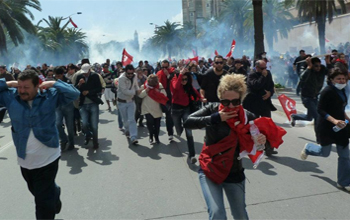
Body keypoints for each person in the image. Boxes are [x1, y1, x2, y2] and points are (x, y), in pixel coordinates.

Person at [184, 74, 267, 220]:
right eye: (225, 101)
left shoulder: (248, 117)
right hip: (210, 169)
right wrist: (216, 118)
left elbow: (260, 143)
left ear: (241, 99)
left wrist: (261, 140)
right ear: (219, 98)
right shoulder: (212, 109)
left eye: (235, 101)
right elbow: (189, 122)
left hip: (234, 173)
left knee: (240, 215)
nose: (230, 106)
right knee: (217, 213)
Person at [0, 69, 80, 219]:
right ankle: (55, 193)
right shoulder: (10, 97)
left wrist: (54, 83)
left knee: (42, 202)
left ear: (37, 85)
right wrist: (8, 83)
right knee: (38, 192)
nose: (22, 91)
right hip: (25, 160)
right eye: (20, 87)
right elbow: (11, 88)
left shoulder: (50, 96)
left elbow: (74, 94)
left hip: (48, 157)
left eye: (26, 87)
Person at [300, 68, 350, 191]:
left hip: (341, 127)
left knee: (344, 156)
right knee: (325, 153)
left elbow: (341, 108)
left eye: (343, 78)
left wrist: (347, 118)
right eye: (338, 78)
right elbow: (320, 110)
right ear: (332, 80)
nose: (342, 81)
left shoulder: (343, 91)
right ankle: (309, 148)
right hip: (327, 127)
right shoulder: (327, 91)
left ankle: (343, 182)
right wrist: (334, 121)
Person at [243, 60, 277, 156]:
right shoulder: (251, 75)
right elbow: (256, 86)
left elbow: (271, 85)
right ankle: (256, 147)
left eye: (265, 68)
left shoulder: (267, 74)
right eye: (262, 68)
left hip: (265, 104)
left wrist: (270, 93)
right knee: (255, 127)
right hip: (253, 104)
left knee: (268, 126)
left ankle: (269, 147)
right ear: (257, 67)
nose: (264, 70)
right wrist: (263, 76)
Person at [291, 57, 330, 139]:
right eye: (316, 66)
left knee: (309, 118)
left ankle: (294, 116)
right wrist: (309, 67)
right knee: (317, 117)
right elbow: (302, 77)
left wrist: (328, 62)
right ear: (311, 65)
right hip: (306, 98)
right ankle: (319, 138)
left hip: (315, 97)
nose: (318, 68)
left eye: (319, 65)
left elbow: (332, 73)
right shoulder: (306, 70)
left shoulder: (322, 70)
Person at [171, 68, 202, 163]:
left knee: (189, 132)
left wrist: (201, 98)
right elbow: (176, 87)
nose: (184, 81)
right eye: (183, 79)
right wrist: (180, 75)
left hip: (186, 109)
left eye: (186, 79)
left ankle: (192, 155)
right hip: (176, 109)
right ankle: (179, 130)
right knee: (178, 129)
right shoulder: (175, 81)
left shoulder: (188, 85)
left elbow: (195, 92)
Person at [75, 63, 103, 149]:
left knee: (94, 125)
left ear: (90, 70)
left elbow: (99, 88)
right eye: (83, 72)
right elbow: (75, 89)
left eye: (86, 72)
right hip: (83, 104)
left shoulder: (95, 76)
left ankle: (95, 142)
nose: (85, 74)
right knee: (84, 123)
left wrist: (89, 92)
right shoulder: (79, 77)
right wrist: (79, 84)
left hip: (93, 103)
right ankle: (88, 135)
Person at [138, 75, 167, 144]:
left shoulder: (159, 85)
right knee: (150, 123)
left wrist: (158, 92)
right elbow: (140, 95)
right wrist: (146, 91)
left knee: (157, 125)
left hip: (157, 108)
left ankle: (156, 137)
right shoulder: (144, 86)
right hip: (147, 108)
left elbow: (165, 94)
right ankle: (151, 135)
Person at [117, 64, 141, 145]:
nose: (130, 75)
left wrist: (138, 90)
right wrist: (135, 92)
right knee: (125, 120)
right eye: (128, 74)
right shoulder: (121, 78)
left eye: (132, 73)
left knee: (132, 119)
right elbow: (125, 91)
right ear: (125, 72)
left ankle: (133, 137)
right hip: (122, 102)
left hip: (131, 101)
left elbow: (136, 85)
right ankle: (127, 129)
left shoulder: (135, 76)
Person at [54, 66, 76, 151]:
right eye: (56, 76)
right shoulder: (53, 82)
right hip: (58, 106)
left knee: (70, 126)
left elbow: (72, 93)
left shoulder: (68, 81)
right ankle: (63, 140)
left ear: (62, 74)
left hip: (68, 106)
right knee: (57, 124)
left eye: (58, 76)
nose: (57, 77)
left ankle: (71, 143)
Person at [156, 60, 175, 141]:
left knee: (169, 115)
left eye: (166, 67)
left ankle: (170, 132)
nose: (164, 69)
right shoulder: (158, 73)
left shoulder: (172, 72)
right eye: (163, 67)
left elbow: (174, 81)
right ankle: (156, 135)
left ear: (169, 66)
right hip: (161, 96)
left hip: (170, 96)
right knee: (161, 115)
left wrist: (168, 75)